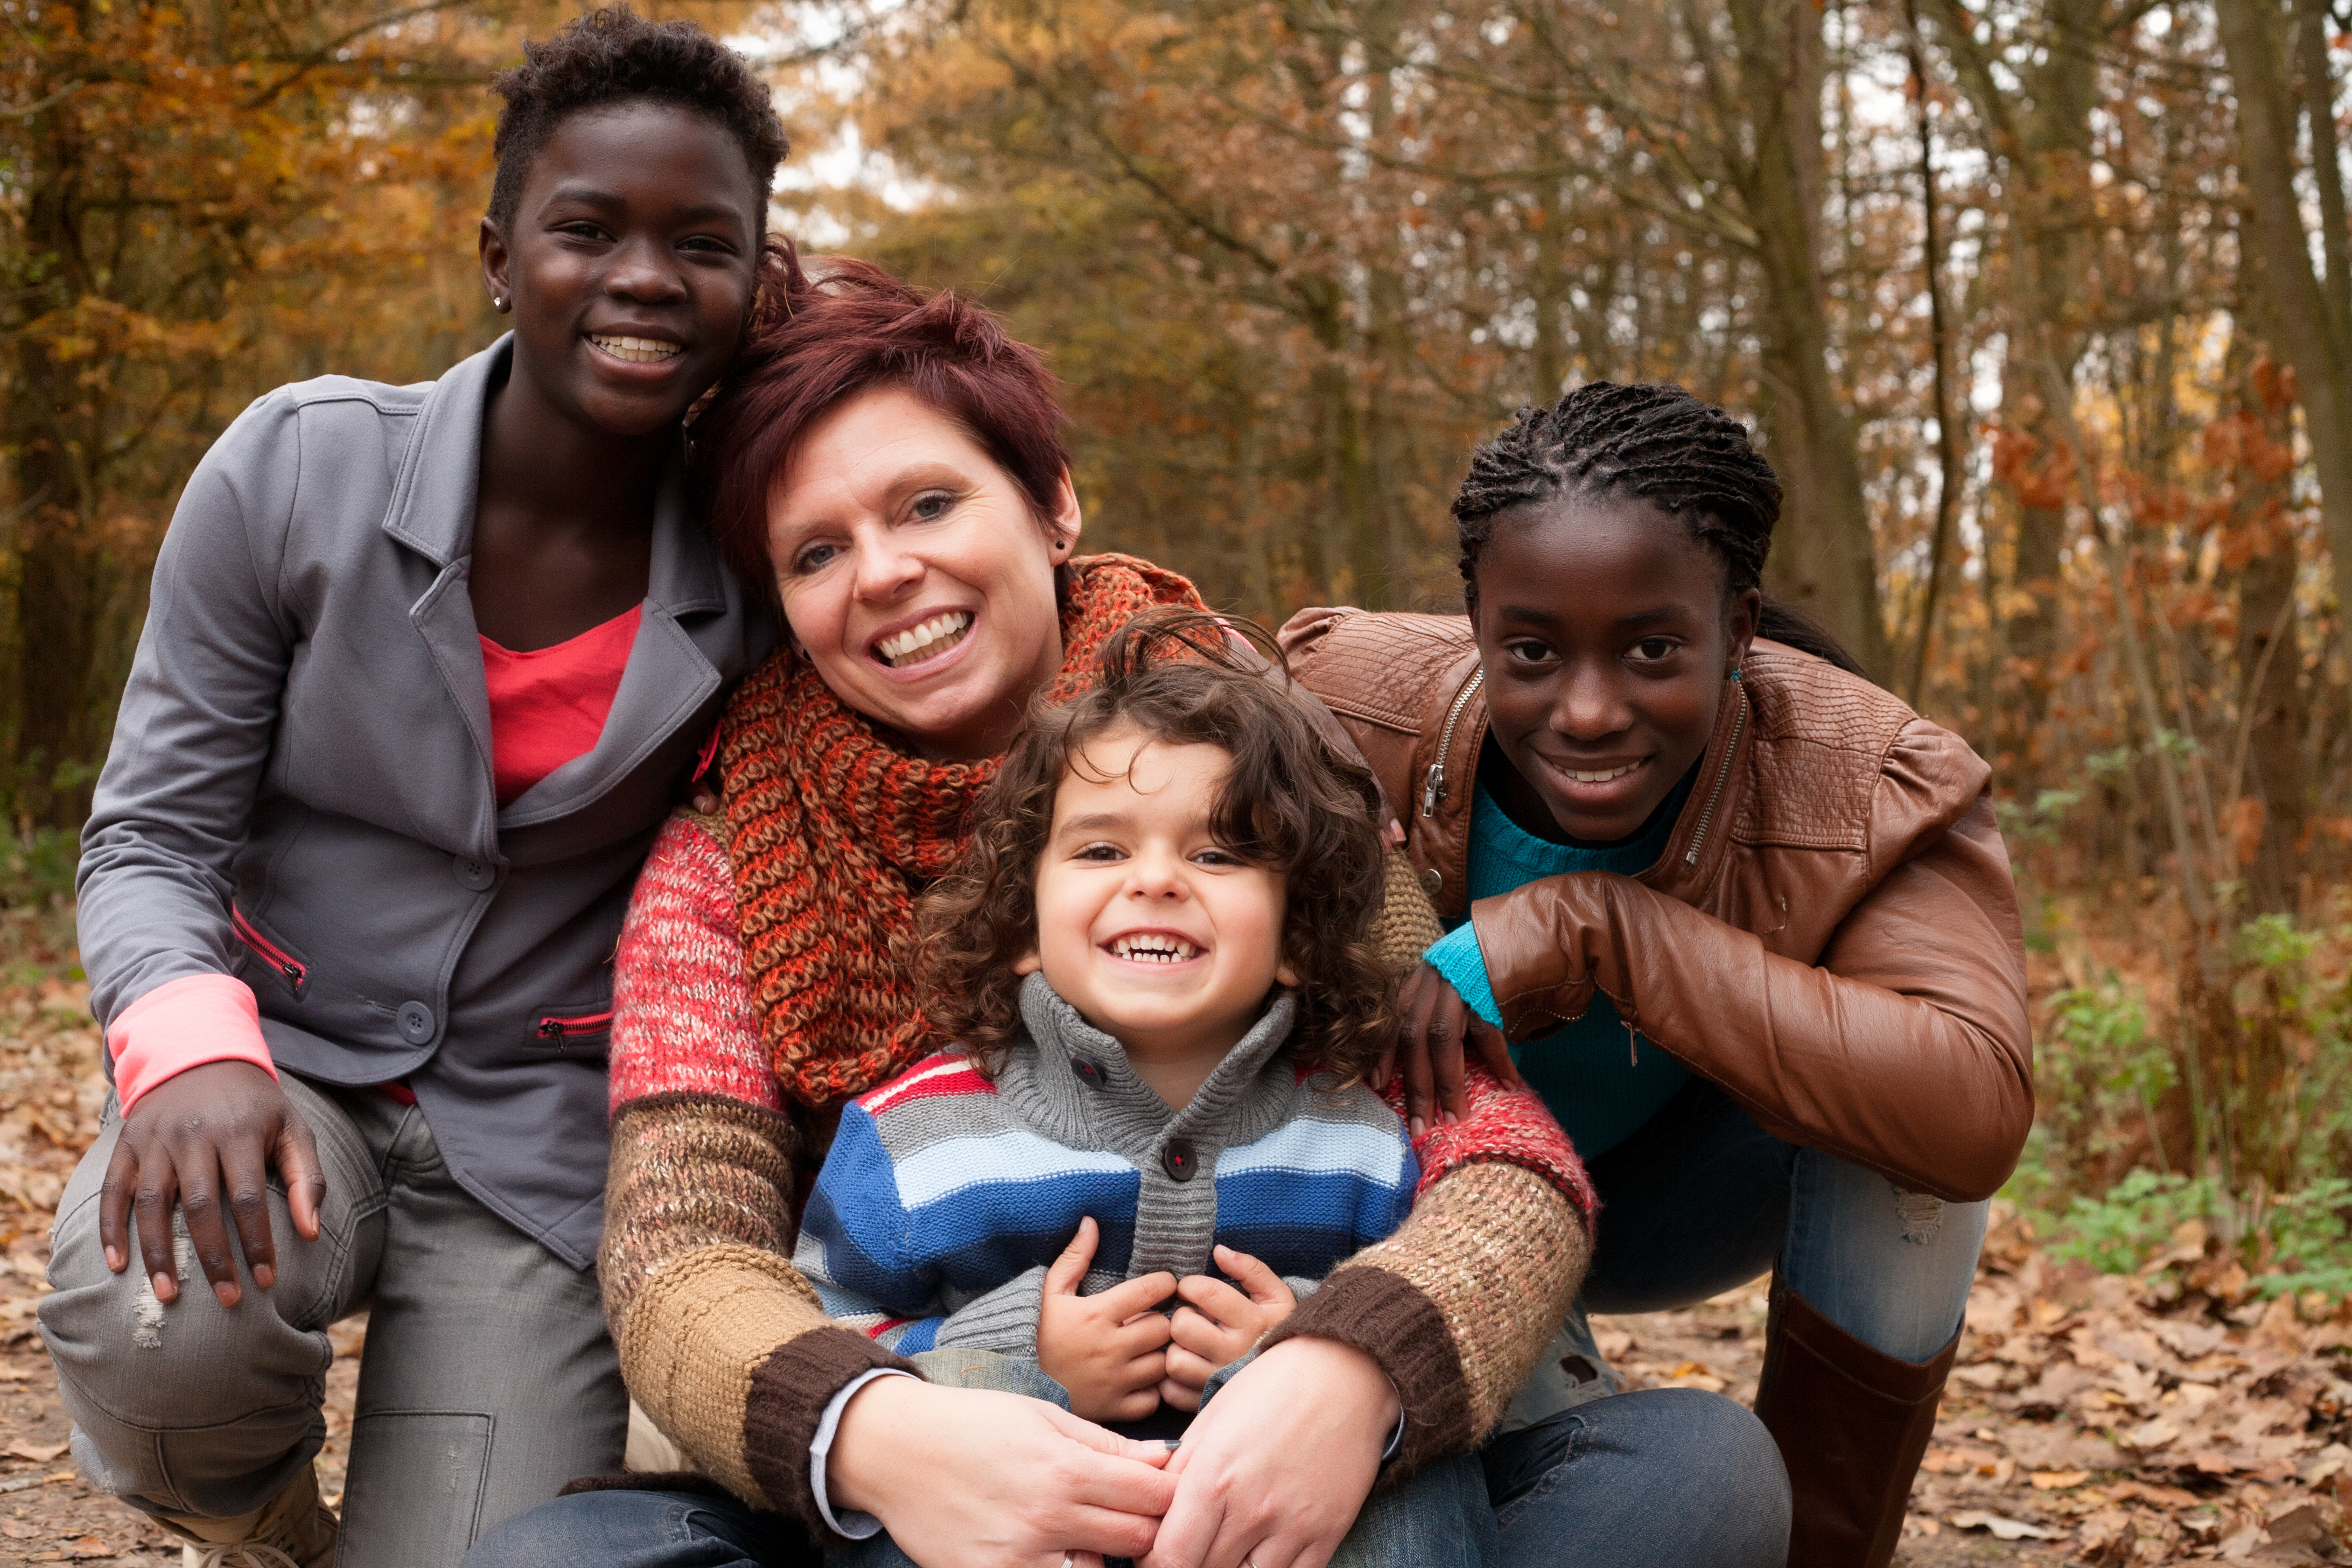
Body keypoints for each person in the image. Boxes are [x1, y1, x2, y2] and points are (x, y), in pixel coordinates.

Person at [468, 270, 1789, 1568]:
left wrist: (1353, 1369)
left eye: (929, 502)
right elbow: (680, 1253)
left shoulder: (1256, 748)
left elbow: (1484, 1137)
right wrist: (881, 1432)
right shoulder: (726, 857)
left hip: (1301, 1446)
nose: (885, 572)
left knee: (1696, 1475)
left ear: (1051, 506)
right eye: (817, 551)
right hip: (941, 1453)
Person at [37, 12, 787, 1565]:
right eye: (589, 229)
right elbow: (150, 835)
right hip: (279, 1061)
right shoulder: (298, 471)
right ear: (499, 254)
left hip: (536, 1146)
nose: (645, 275)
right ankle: (256, 1525)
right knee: (160, 1331)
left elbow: (984, 573)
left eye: (703, 243)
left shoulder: (769, 556)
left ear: (755, 285)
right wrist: (187, 1054)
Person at [1279, 380, 2034, 1568]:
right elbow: (1140, 685)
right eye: (1531, 649)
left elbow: (1973, 1111)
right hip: (1413, 1196)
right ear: (1475, 619)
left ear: (1739, 627)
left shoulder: (1871, 783)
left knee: (1911, 1148)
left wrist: (1602, 929)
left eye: (1652, 650)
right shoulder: (1343, 701)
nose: (1588, 710)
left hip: (1671, 1197)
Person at [797, 611, 1563, 1567]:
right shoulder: (919, 1134)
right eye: (1102, 851)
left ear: (1297, 939)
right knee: (926, 1459)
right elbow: (827, 1334)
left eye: (1217, 855)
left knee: (1411, 1463)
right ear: (1023, 921)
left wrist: (1309, 1336)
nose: (1156, 880)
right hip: (1024, 1527)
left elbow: (1440, 1341)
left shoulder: (1363, 1136)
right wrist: (1010, 1346)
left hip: (1280, 1535)